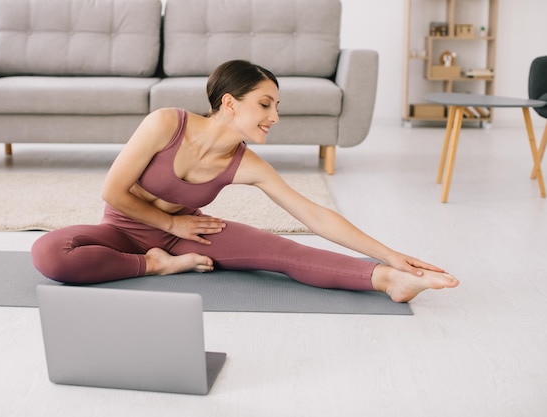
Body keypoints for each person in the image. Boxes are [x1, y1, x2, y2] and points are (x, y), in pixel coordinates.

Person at [31, 60, 459, 303]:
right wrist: (171, 228)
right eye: (266, 104)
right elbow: (112, 192)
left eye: (277, 106)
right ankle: (156, 266)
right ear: (230, 103)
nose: (275, 116)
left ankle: (387, 281)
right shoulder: (165, 123)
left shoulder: (246, 163)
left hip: (191, 236)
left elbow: (314, 216)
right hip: (122, 230)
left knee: (285, 254)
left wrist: (391, 256)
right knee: (50, 252)